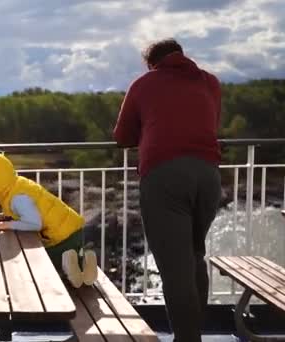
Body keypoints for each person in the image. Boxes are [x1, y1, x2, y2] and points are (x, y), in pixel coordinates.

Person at [113, 38, 221, 342]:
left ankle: (187, 339)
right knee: (194, 254)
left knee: (174, 267)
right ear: (182, 56)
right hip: (208, 175)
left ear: (152, 63)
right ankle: (195, 331)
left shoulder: (144, 84)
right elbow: (210, 123)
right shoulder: (210, 82)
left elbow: (122, 136)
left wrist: (148, 129)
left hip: (165, 177)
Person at [0, 152, 97, 288]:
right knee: (69, 256)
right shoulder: (17, 186)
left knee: (41, 261)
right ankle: (84, 261)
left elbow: (34, 224)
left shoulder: (17, 198)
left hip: (62, 237)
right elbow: (20, 212)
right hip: (73, 229)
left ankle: (67, 268)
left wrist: (7, 225)